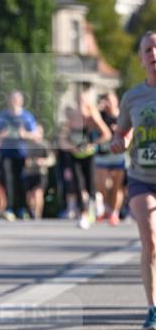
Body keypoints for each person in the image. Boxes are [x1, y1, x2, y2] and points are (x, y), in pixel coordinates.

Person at [112, 31, 156, 330]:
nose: (153, 53)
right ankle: (153, 307)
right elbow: (121, 132)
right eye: (148, 49)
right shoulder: (132, 97)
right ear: (141, 59)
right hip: (142, 176)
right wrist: (120, 141)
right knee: (150, 240)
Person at [58, 87, 111, 229]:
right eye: (78, 100)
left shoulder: (92, 116)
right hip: (75, 155)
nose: (80, 103)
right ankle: (83, 214)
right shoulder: (70, 117)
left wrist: (93, 144)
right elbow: (62, 140)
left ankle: (95, 201)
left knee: (90, 184)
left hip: (89, 155)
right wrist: (71, 146)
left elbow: (106, 134)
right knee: (78, 184)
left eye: (83, 100)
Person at [0, 90, 40, 220]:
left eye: (17, 99)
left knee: (22, 181)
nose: (14, 102)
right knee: (8, 181)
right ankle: (9, 208)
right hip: (6, 153)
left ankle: (23, 208)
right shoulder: (3, 115)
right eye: (12, 99)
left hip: (21, 154)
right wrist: (2, 134)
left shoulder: (27, 116)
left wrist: (25, 134)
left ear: (21, 101)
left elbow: (36, 135)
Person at [96, 91, 126, 225]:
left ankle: (114, 212)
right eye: (105, 100)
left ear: (116, 101)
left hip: (117, 155)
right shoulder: (100, 115)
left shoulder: (122, 115)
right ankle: (107, 208)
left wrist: (119, 131)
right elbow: (89, 120)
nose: (108, 103)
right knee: (102, 186)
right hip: (102, 156)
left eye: (110, 100)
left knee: (116, 187)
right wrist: (97, 107)